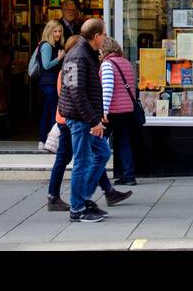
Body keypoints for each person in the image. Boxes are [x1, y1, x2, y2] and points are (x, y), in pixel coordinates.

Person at [46, 35, 129, 213]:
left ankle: (90, 196)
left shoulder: (84, 59)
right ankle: (75, 203)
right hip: (75, 120)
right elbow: (73, 94)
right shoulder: (76, 59)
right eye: (103, 34)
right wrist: (94, 120)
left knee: (99, 154)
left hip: (81, 118)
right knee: (77, 160)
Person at [100, 36, 141, 186]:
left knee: (98, 143)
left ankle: (98, 175)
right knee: (123, 141)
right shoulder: (126, 63)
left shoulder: (107, 65)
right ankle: (129, 176)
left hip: (112, 110)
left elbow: (107, 89)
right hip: (127, 110)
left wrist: (103, 111)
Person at [35, 20, 65, 150]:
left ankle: (43, 140)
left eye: (59, 31)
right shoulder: (46, 46)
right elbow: (46, 65)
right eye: (55, 31)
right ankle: (54, 142)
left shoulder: (53, 45)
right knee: (54, 111)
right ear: (49, 31)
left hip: (50, 82)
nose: (58, 34)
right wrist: (59, 58)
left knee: (48, 111)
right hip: (48, 83)